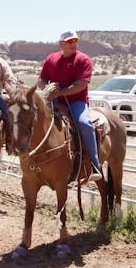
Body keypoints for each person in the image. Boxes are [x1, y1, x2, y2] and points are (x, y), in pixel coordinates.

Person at [38, 30, 102, 182]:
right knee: (34, 119)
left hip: (76, 102)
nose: (73, 44)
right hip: (53, 101)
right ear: (61, 44)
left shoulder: (83, 60)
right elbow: (41, 80)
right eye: (69, 42)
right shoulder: (51, 59)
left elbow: (81, 84)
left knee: (84, 124)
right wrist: (47, 88)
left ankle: (94, 164)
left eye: (75, 41)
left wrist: (60, 93)